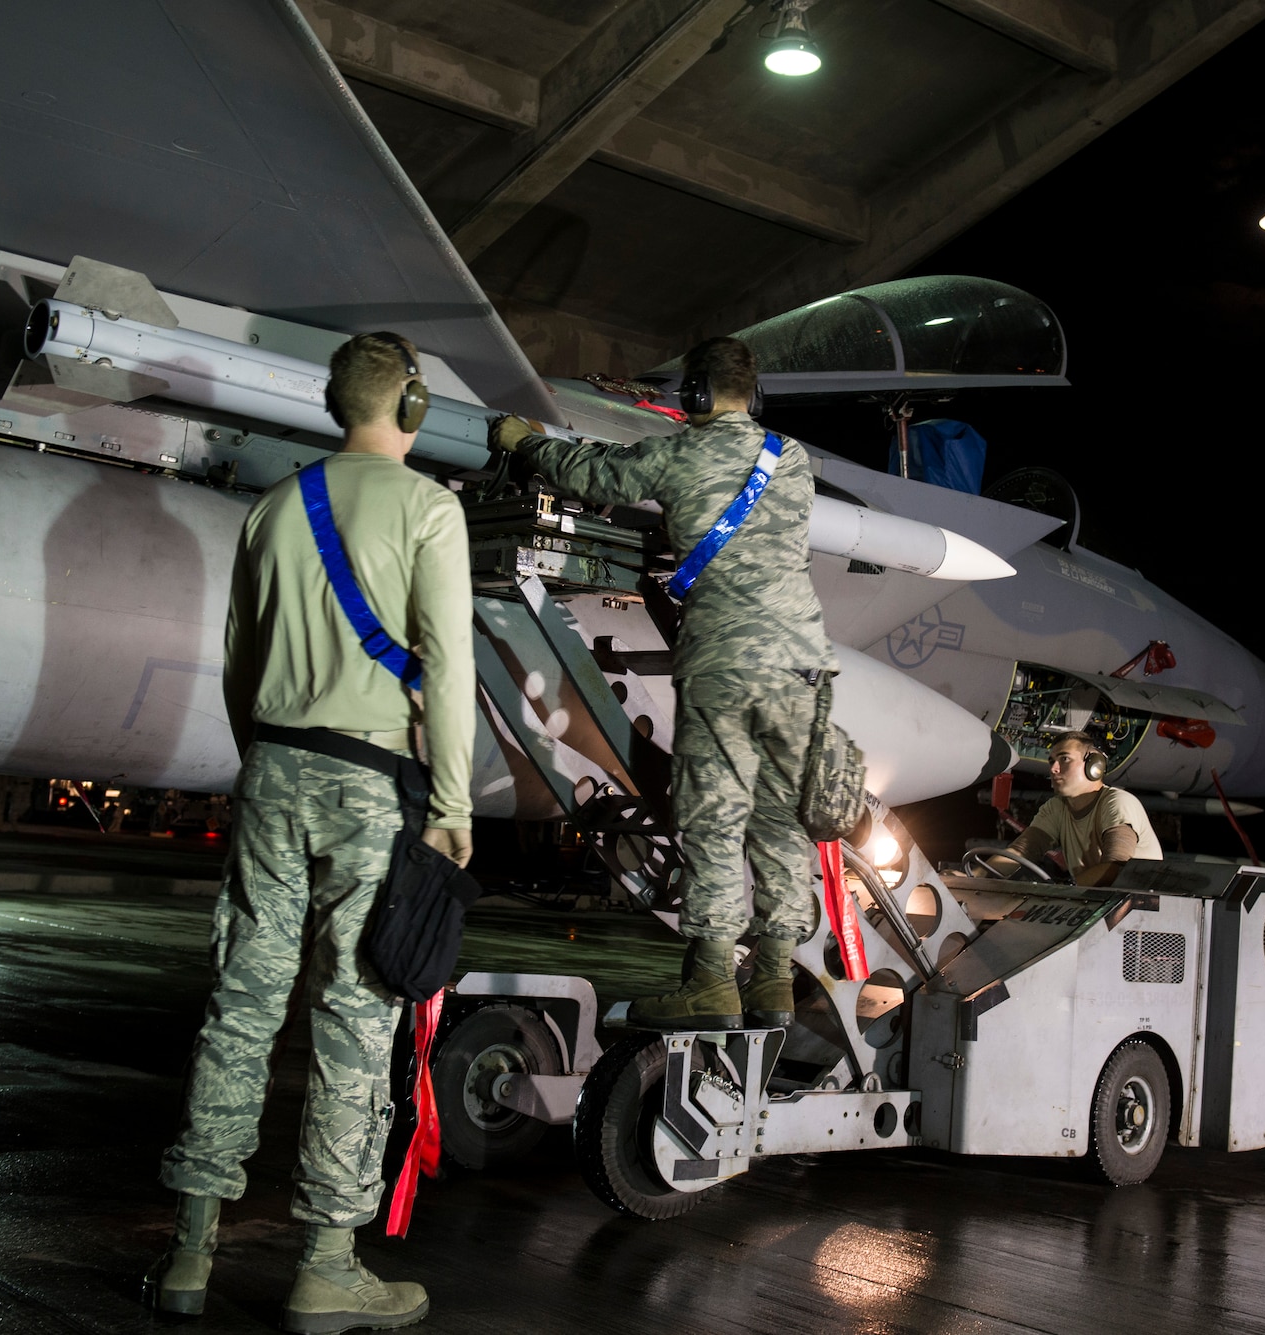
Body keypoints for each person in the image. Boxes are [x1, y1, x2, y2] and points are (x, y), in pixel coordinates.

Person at [145, 332, 474, 1332]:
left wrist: (267, 765)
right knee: (352, 1020)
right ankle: (326, 1263)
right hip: (371, 784)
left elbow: (239, 666)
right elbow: (449, 666)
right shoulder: (429, 508)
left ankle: (190, 1251)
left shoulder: (274, 508)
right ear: (411, 406)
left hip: (273, 771)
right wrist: (454, 805)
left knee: (239, 1009)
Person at [503, 336, 836, 1031]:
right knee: (779, 815)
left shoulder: (685, 451)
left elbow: (596, 476)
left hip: (728, 658)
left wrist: (525, 443)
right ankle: (774, 976)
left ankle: (712, 979)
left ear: (695, 397)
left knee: (715, 812)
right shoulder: (796, 460)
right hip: (802, 660)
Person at [994, 732, 1163, 886]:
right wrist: (973, 878)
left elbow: (1115, 867)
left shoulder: (1117, 802)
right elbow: (1021, 851)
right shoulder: (1056, 807)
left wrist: (1065, 891)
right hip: (1098, 903)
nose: (1054, 769)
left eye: (1064, 759)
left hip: (1141, 909)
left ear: (1094, 766)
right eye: (1052, 761)